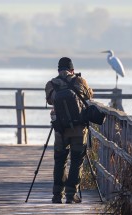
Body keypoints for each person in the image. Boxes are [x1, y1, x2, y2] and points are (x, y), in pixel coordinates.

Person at [45, 57, 93, 204]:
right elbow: (89, 96)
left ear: (58, 70)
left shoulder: (51, 84)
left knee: (60, 160)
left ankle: (57, 195)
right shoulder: (80, 81)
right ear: (72, 70)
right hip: (78, 129)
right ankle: (71, 195)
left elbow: (50, 100)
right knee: (77, 160)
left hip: (60, 130)